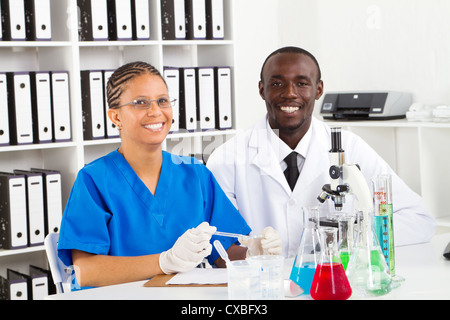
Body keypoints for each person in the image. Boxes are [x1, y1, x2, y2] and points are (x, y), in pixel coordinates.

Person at [57, 61, 281, 289]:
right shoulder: (94, 180)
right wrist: (164, 262)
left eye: (162, 101)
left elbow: (222, 253)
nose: (155, 111)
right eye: (140, 103)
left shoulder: (195, 174)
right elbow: (87, 272)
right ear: (115, 118)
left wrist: (253, 252)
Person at [206, 46, 436, 258]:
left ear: (319, 90)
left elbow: (419, 220)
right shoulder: (228, 158)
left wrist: (349, 234)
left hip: (331, 283)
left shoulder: (351, 148)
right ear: (261, 89)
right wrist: (252, 252)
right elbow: (216, 244)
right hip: (263, 287)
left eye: (302, 83)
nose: (290, 93)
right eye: (277, 84)